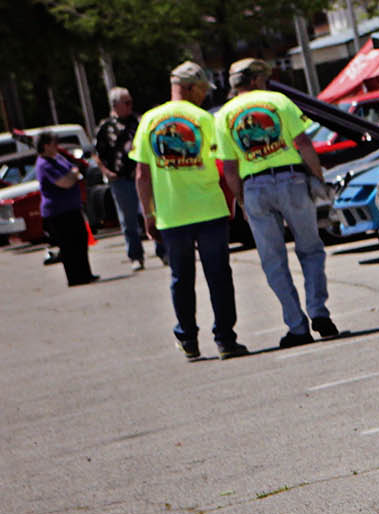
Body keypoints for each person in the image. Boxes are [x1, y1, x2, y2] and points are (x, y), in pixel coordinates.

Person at [215, 58, 339, 348]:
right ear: (257, 80)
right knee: (310, 249)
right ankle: (319, 312)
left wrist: (243, 202)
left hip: (255, 185)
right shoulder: (278, 101)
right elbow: (304, 144)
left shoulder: (223, 115)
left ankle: (296, 325)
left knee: (273, 260)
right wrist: (318, 178)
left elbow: (229, 168)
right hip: (291, 180)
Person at [134, 62, 246, 360]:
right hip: (209, 209)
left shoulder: (148, 120)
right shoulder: (205, 119)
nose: (203, 95)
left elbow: (141, 175)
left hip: (173, 213)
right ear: (189, 87)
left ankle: (188, 340)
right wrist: (237, 200)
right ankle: (225, 339)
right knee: (218, 276)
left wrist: (148, 214)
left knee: (181, 278)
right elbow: (225, 163)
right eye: (201, 89)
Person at [95, 87, 147, 270]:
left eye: (131, 102)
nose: (130, 106)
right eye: (126, 103)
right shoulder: (105, 127)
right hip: (121, 180)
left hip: (142, 176)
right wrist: (106, 172)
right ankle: (135, 256)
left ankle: (163, 250)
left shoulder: (139, 122)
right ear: (115, 105)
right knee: (128, 220)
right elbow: (97, 153)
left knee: (152, 213)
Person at [35, 132, 96, 287]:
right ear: (45, 146)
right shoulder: (44, 164)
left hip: (72, 208)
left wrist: (74, 173)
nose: (57, 146)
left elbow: (73, 171)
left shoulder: (58, 158)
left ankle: (85, 273)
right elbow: (64, 182)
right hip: (58, 212)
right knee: (68, 245)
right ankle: (75, 278)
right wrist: (74, 173)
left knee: (81, 239)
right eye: (53, 143)